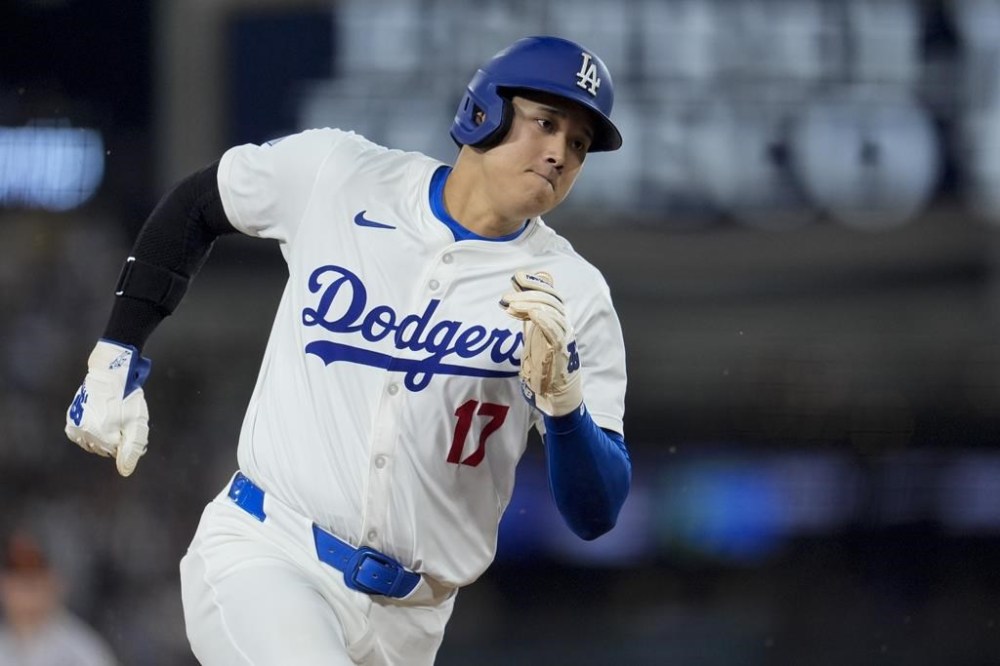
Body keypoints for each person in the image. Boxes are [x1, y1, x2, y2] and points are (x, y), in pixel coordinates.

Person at [64, 35, 632, 665]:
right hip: (269, 555)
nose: (559, 154)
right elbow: (198, 203)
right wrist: (116, 352)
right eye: (546, 123)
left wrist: (565, 408)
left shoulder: (574, 293)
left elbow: (596, 512)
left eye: (578, 145)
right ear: (484, 112)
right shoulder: (342, 175)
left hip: (413, 621)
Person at [0, 532, 119, 666]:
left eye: (33, 579)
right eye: (18, 578)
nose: (25, 591)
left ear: (54, 582)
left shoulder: (83, 652)